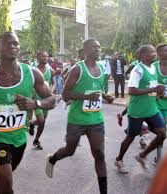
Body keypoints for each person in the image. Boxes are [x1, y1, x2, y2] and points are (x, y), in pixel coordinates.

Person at [0, 32, 55, 194]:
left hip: (19, 138)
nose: (13, 46)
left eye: (15, 43)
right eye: (8, 43)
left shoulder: (32, 73)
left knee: (2, 179)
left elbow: (51, 100)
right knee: (8, 186)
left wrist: (34, 103)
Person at [45, 39, 114, 194]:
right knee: (70, 150)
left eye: (99, 46)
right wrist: (86, 97)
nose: (98, 49)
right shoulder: (77, 69)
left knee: (99, 154)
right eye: (94, 47)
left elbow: (96, 89)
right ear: (85, 50)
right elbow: (65, 93)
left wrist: (106, 96)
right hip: (77, 118)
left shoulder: (102, 67)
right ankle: (52, 159)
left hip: (96, 119)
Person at [114, 45, 166, 173]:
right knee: (131, 137)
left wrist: (157, 94)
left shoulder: (152, 68)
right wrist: (154, 89)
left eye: (155, 51)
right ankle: (119, 160)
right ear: (142, 55)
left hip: (152, 108)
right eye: (151, 52)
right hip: (137, 110)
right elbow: (131, 90)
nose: (154, 54)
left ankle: (142, 156)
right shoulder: (138, 69)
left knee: (162, 134)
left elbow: (151, 88)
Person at [28, 51, 55, 150]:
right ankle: (37, 141)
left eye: (47, 56)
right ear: (37, 57)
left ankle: (35, 136)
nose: (45, 57)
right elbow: (28, 84)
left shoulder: (51, 70)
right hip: (36, 99)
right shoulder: (32, 71)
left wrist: (51, 90)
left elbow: (53, 82)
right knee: (41, 120)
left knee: (41, 122)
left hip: (46, 100)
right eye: (43, 56)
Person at [152, 43, 167, 165]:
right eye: (164, 51)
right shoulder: (153, 67)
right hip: (157, 104)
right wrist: (156, 93)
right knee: (162, 131)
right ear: (159, 53)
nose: (166, 53)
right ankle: (159, 157)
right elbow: (149, 84)